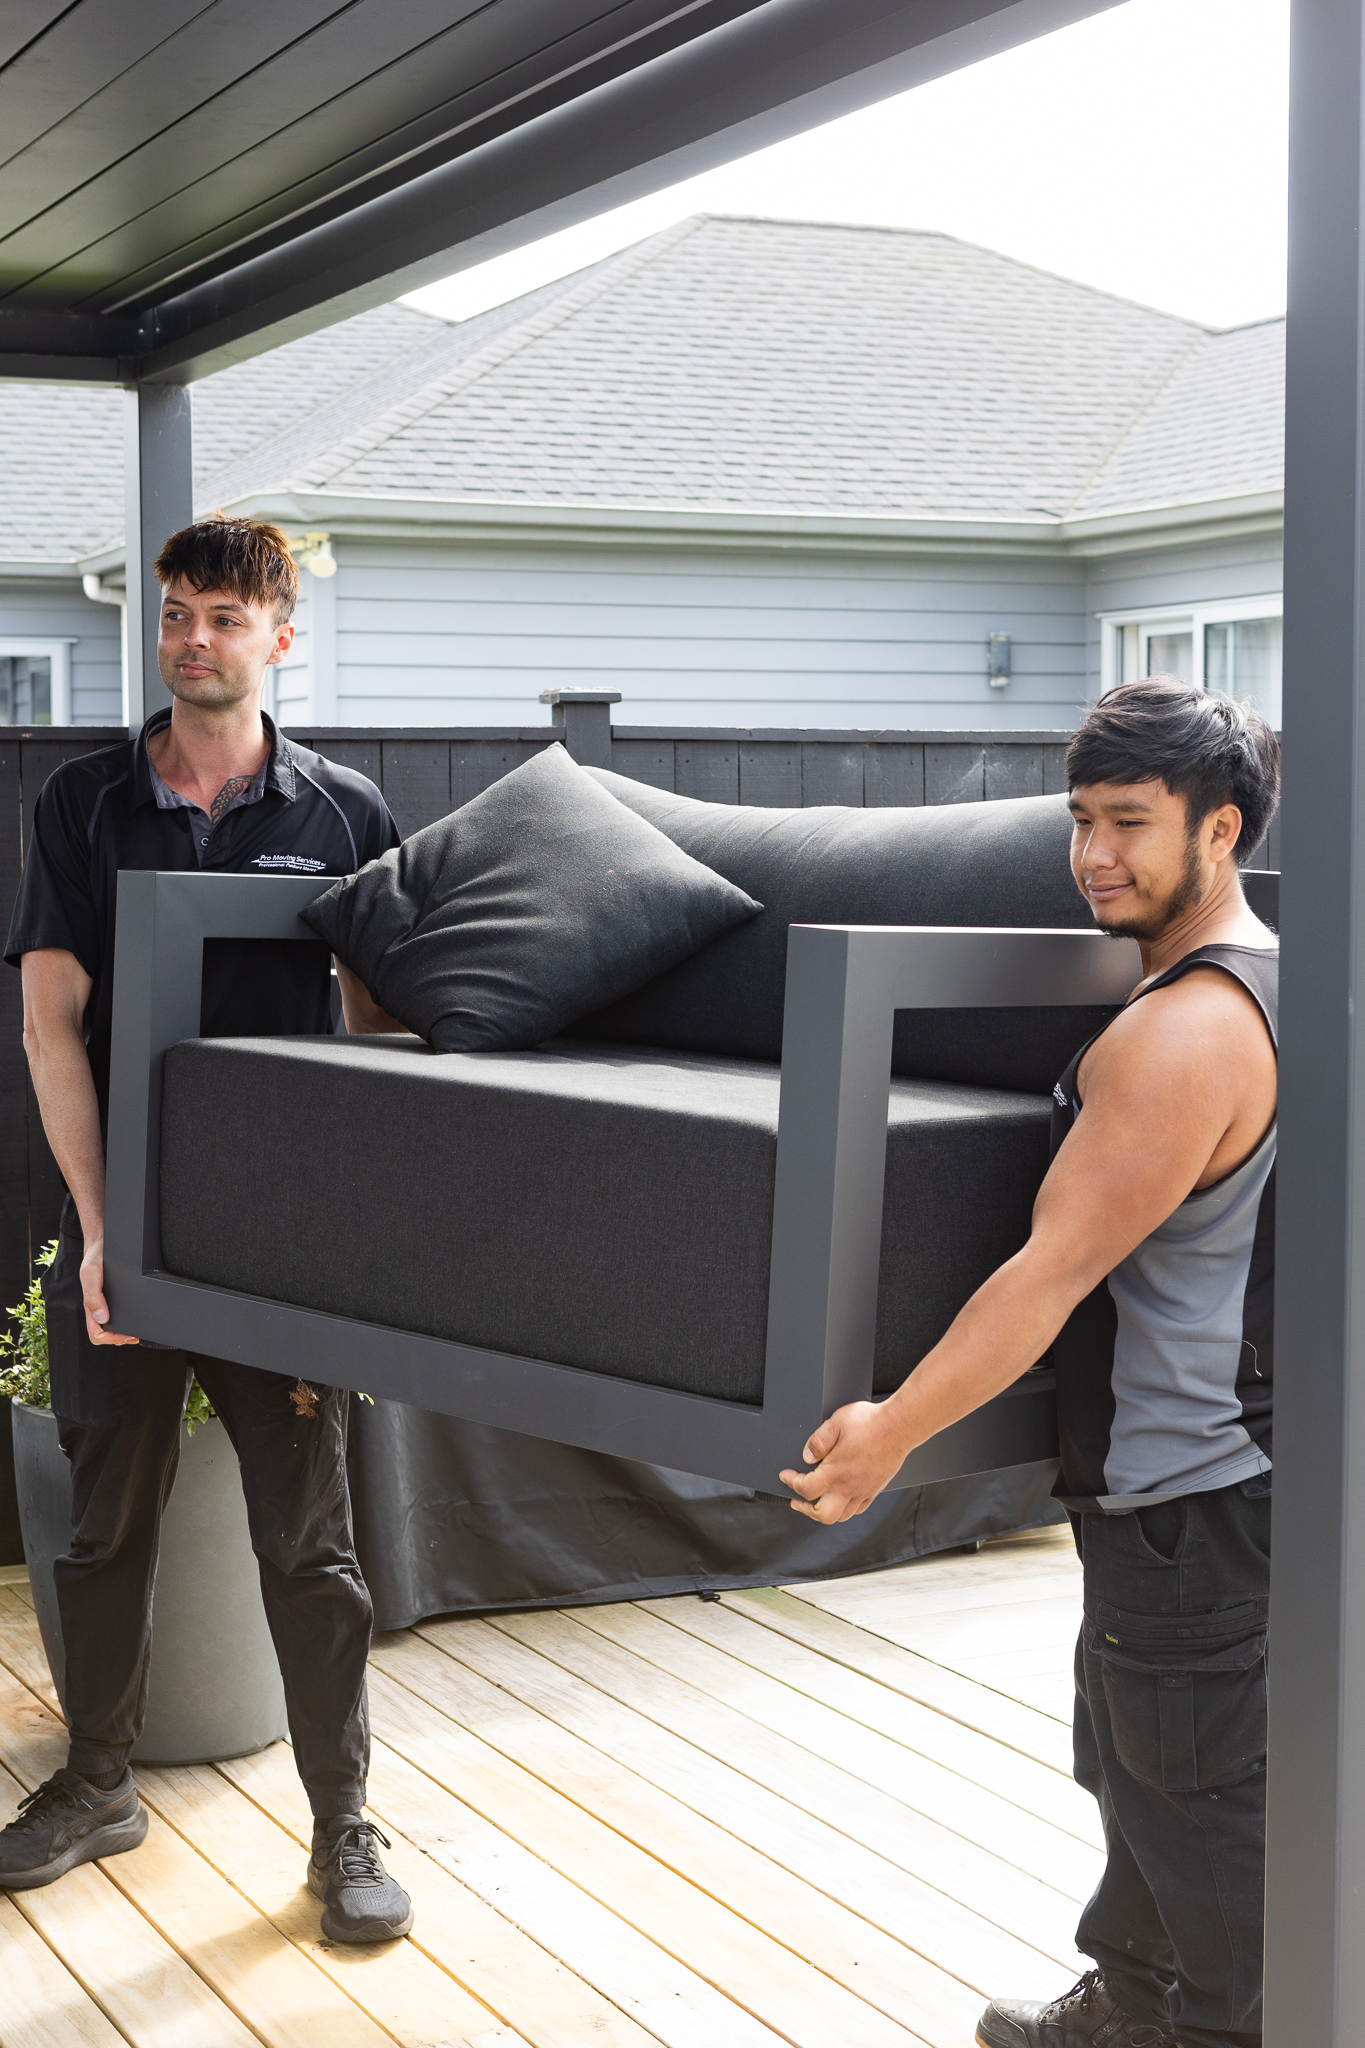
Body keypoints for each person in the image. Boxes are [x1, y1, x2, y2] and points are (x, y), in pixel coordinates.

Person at [781, 678, 1279, 2048]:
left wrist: (888, 1429)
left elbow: (1047, 1274)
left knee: (1203, 1809)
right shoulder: (1274, 985)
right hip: (1213, 1489)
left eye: (1129, 822)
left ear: (1220, 828)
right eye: (1078, 820)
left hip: (1193, 1496)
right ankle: (1130, 1998)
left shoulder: (1183, 1033)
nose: (1092, 855)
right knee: (1141, 1764)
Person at [0, 516, 416, 1944]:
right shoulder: (82, 805)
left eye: (225, 617)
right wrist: (102, 1231)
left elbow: (381, 1035)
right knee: (102, 1528)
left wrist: (364, 1230)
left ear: (279, 637)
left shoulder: (346, 814)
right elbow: (51, 1029)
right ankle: (98, 1782)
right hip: (125, 1229)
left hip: (278, 1247)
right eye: (177, 613)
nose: (193, 638)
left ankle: (341, 1821)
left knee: (309, 1545)